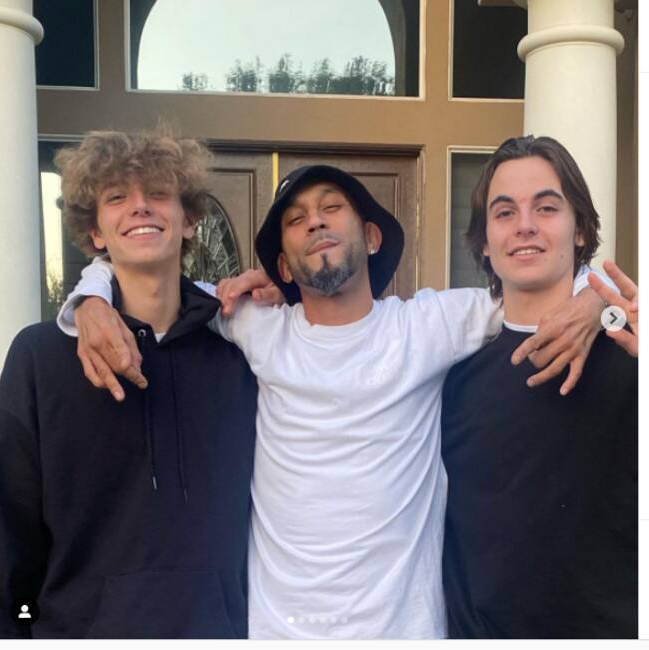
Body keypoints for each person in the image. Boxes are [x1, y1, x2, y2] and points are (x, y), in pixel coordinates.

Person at [59, 164, 609, 639]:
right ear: (282, 266)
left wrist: (595, 302)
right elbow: (150, 281)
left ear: (371, 236)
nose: (315, 222)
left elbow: (538, 283)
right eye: (296, 219)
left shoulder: (430, 325)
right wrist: (91, 297)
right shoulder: (254, 326)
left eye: (331, 208)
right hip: (280, 633)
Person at [0, 129, 257, 638]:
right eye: (117, 197)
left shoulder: (243, 353)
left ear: (190, 220)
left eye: (158, 193)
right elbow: (9, 531)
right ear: (95, 232)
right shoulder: (40, 358)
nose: (140, 206)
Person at [441, 135, 638, 638]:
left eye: (546, 207)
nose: (525, 225)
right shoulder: (450, 379)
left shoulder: (631, 358)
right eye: (504, 212)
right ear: (484, 242)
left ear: (580, 230)